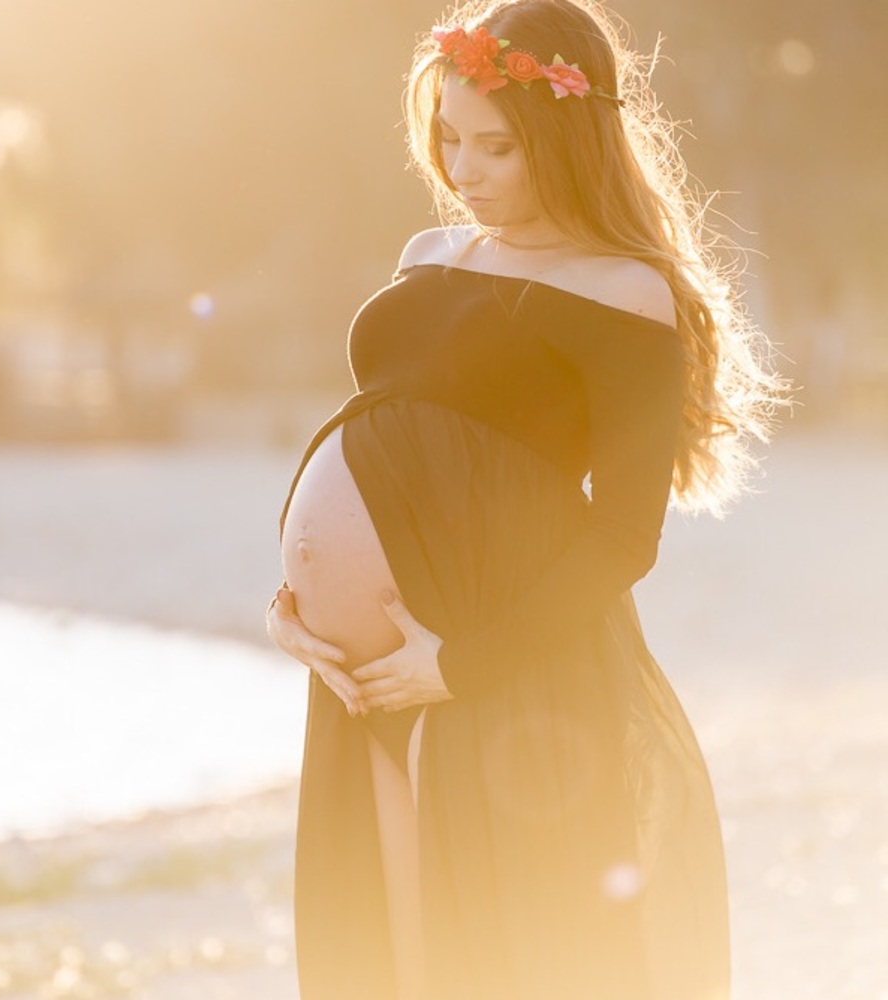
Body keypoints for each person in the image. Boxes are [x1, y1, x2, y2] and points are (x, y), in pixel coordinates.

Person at [266, 1, 783, 997]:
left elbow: (625, 537)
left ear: (567, 135)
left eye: (495, 147)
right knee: (389, 947)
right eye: (448, 141)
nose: (463, 171)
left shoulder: (626, 289)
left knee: (490, 953)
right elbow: (379, 422)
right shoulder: (430, 253)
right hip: (360, 665)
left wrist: (461, 664)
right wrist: (292, 605)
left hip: (490, 648)